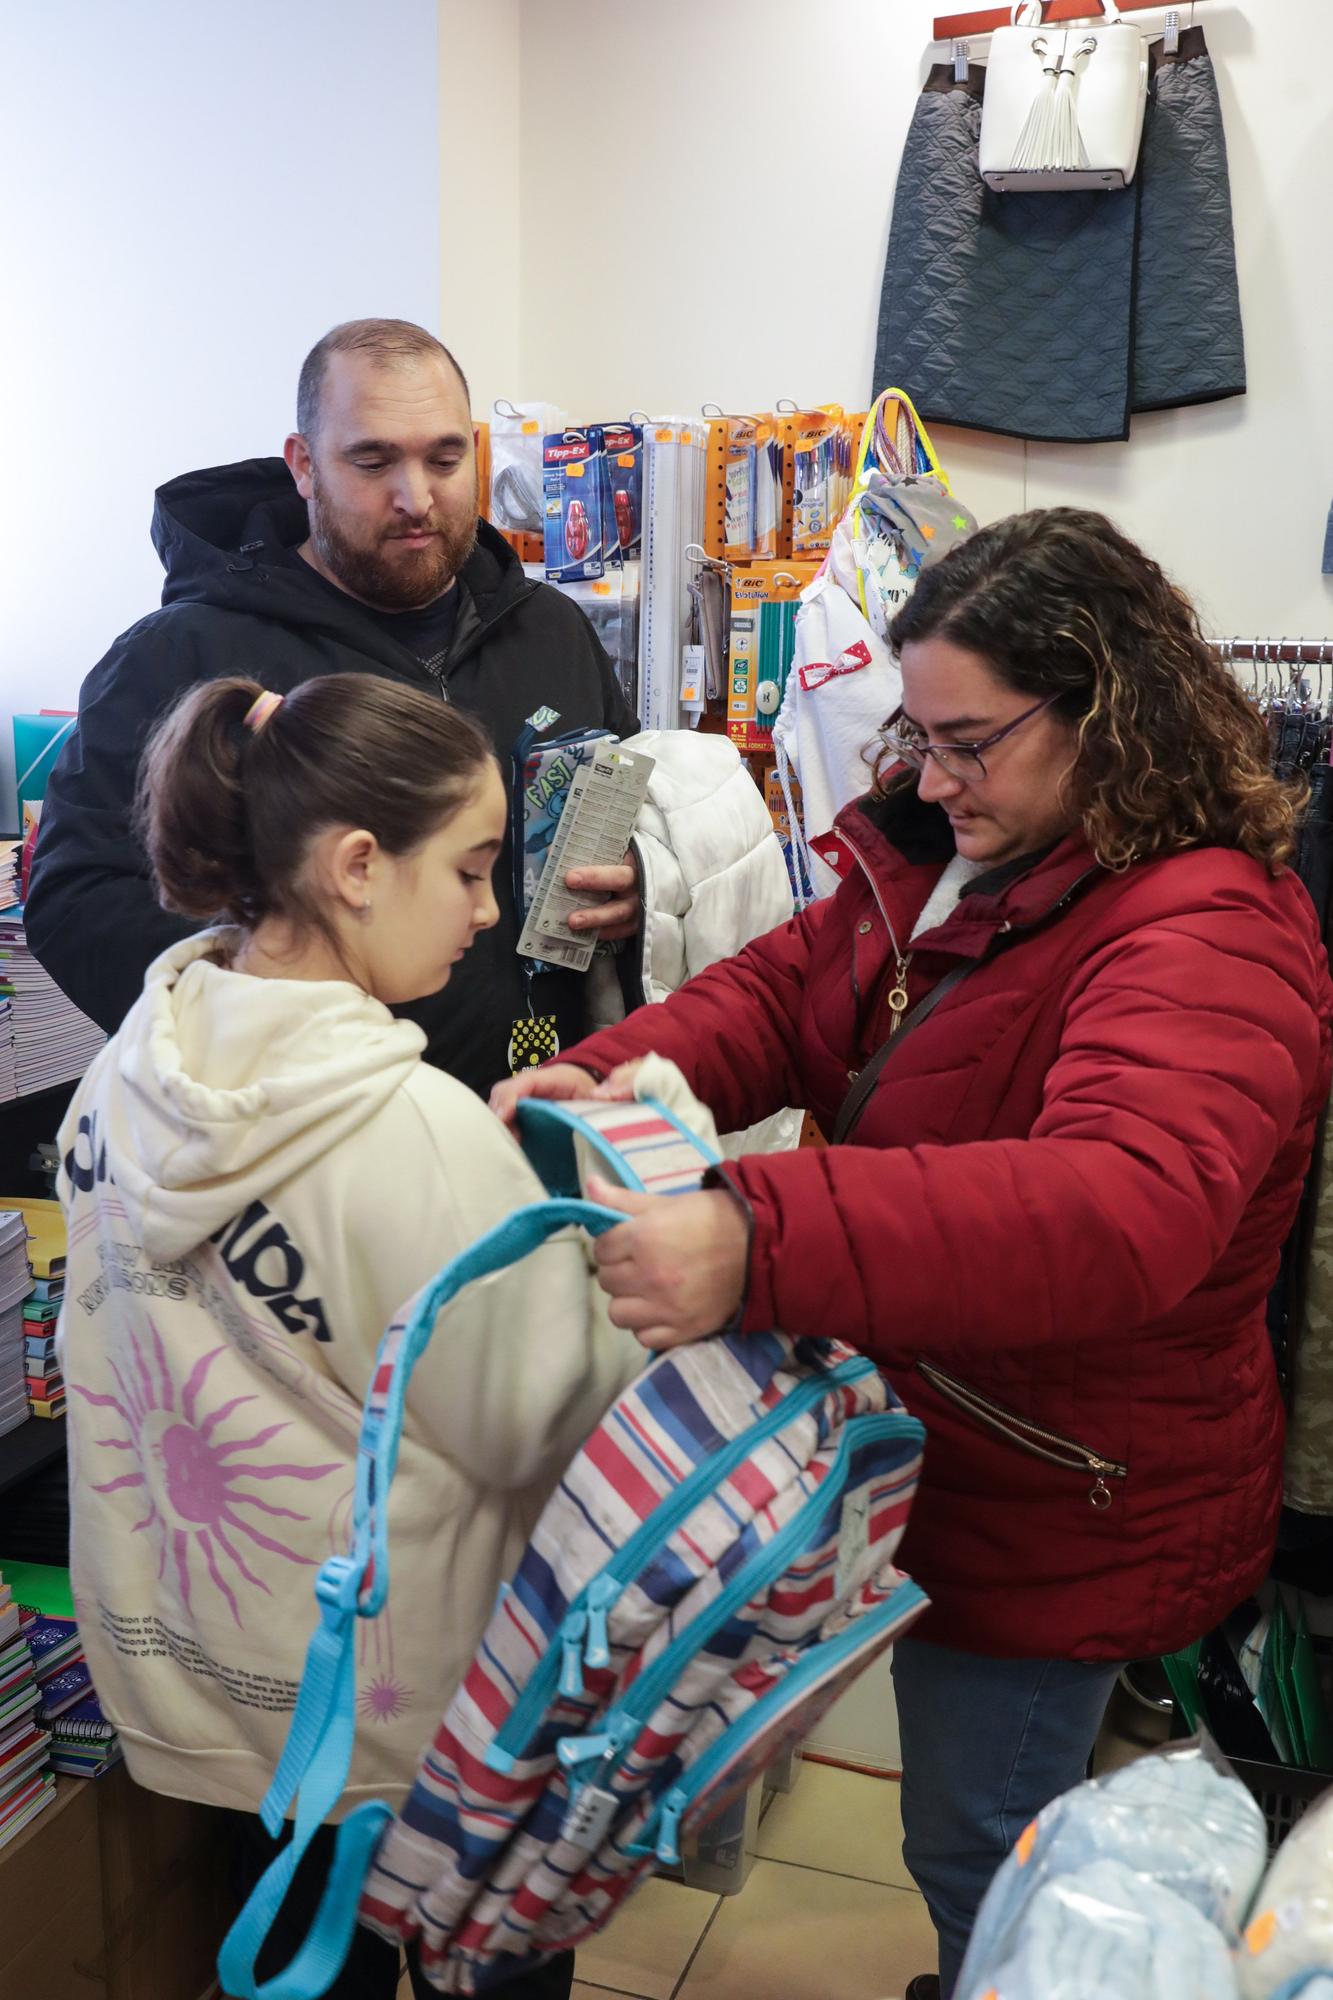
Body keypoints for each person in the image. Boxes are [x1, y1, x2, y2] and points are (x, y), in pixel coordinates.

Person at [491, 508, 1333, 1999]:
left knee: (1000, 1859)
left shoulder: (1205, 927)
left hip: (1068, 1489)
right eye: (917, 737)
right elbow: (787, 994)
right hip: (944, 1439)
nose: (930, 778)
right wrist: (618, 1072)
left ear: (1107, 714)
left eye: (969, 742)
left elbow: (1119, 1208)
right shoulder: (962, 852)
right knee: (979, 1847)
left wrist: (756, 1236)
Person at [56, 672, 643, 2000]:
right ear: (360, 865)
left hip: (209, 1685)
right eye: (474, 869)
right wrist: (617, 1241)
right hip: (404, 1728)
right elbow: (536, 1420)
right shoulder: (413, 1131)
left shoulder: (130, 1066)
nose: (493, 913)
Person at [27, 318, 639, 1099]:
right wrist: (271, 1020)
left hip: (534, 1113)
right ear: (304, 466)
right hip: (293, 1138)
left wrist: (635, 885)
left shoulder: (551, 631)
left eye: (444, 459)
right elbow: (78, 899)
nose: (415, 497)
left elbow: (633, 818)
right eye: (373, 460)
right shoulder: (178, 656)